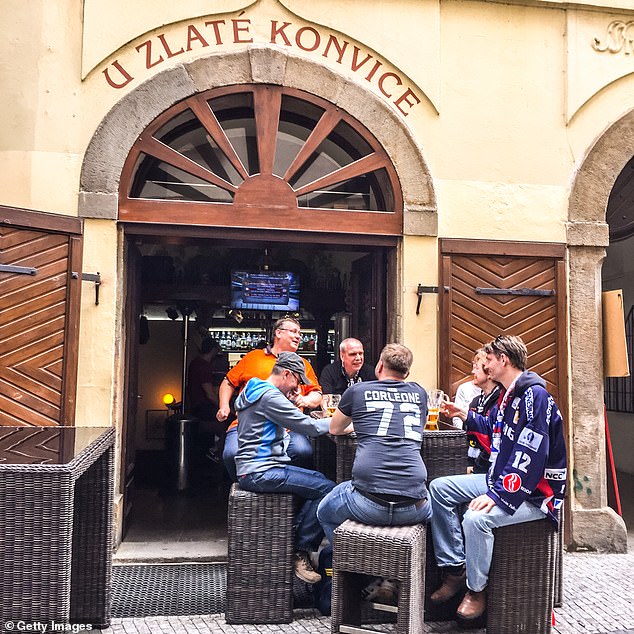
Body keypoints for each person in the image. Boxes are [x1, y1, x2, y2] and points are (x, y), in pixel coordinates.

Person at [429, 335, 567, 625]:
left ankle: (476, 590)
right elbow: (497, 430)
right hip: (500, 480)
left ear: (504, 359)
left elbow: (532, 453)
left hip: (535, 495)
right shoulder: (511, 394)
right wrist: (464, 414)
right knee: (439, 489)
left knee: (475, 519)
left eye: (489, 359)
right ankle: (455, 568)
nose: (485, 364)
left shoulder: (534, 397)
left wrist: (496, 496)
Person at [317, 343, 433, 603]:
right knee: (435, 507)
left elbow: (335, 429)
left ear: (379, 366)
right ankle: (397, 576)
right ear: (407, 372)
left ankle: (359, 570)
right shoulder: (420, 393)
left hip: (367, 503)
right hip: (414, 506)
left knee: (324, 511)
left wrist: (360, 426)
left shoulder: (358, 391)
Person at [235, 351, 336, 584]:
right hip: (260, 471)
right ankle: (299, 550)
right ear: (287, 373)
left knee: (319, 480)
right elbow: (308, 427)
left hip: (255, 468)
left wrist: (288, 398)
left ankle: (297, 542)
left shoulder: (255, 388)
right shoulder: (270, 397)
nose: (299, 386)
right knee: (328, 489)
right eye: (298, 381)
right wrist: (342, 422)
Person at [218, 317, 323, 480]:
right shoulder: (253, 357)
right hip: (247, 424)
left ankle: (289, 495)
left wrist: (305, 400)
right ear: (278, 333)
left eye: (300, 333)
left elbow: (317, 394)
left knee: (303, 453)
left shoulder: (301, 364)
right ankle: (245, 490)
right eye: (294, 331)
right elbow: (228, 382)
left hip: (290, 425)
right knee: (231, 454)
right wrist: (224, 405)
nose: (299, 336)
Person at [186, 337, 229, 462]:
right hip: (202, 407)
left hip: (195, 406)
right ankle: (215, 451)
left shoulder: (195, 363)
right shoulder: (203, 366)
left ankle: (214, 450)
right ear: (214, 350)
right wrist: (225, 407)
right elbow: (209, 394)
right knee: (230, 424)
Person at [465, 348, 501, 473]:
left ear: (489, 372)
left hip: (489, 471)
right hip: (472, 466)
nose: (472, 371)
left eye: (477, 368)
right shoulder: (475, 402)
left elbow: (493, 442)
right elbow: (468, 438)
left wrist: (475, 469)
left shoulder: (499, 402)